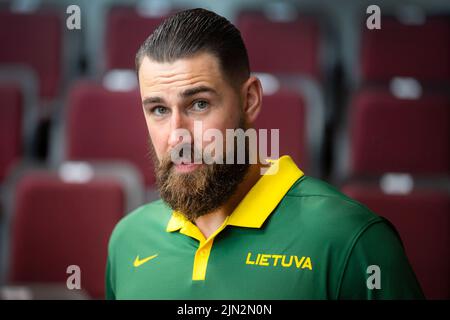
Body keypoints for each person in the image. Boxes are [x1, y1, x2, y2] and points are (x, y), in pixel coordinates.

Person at [105, 8, 424, 300]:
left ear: (250, 100)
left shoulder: (351, 240)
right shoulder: (128, 241)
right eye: (159, 109)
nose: (178, 135)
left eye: (199, 104)